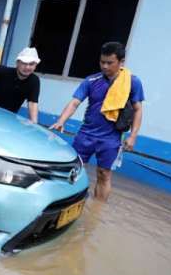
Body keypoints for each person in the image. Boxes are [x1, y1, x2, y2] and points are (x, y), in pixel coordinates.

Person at [49, 42, 144, 202]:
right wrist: (61, 121)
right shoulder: (91, 80)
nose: (105, 66)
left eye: (109, 63)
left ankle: (97, 210)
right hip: (86, 133)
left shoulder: (132, 82)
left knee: (104, 174)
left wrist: (133, 136)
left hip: (111, 138)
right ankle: (69, 203)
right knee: (75, 169)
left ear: (121, 62)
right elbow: (74, 102)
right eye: (102, 62)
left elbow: (138, 109)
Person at [0, 47, 41, 123]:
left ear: (35, 66)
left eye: (31, 64)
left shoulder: (34, 81)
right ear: (17, 63)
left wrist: (34, 123)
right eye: (24, 63)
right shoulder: (4, 72)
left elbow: (33, 103)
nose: (27, 67)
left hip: (9, 119)